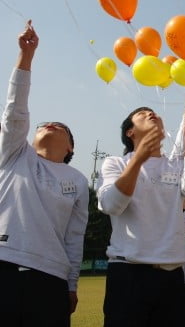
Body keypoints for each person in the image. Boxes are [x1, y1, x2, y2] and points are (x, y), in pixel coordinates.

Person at [0, 21, 89, 327]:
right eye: (43, 123)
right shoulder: (14, 153)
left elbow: (74, 237)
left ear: (70, 147)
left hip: (51, 278)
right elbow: (15, 111)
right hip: (5, 265)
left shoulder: (77, 180)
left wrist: (72, 283)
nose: (50, 125)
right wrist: (26, 56)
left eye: (61, 127)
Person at [97, 96, 185, 326]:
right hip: (128, 272)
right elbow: (111, 204)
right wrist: (138, 160)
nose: (151, 113)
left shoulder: (174, 165)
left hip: (173, 275)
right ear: (130, 132)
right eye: (142, 113)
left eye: (154, 112)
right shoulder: (115, 163)